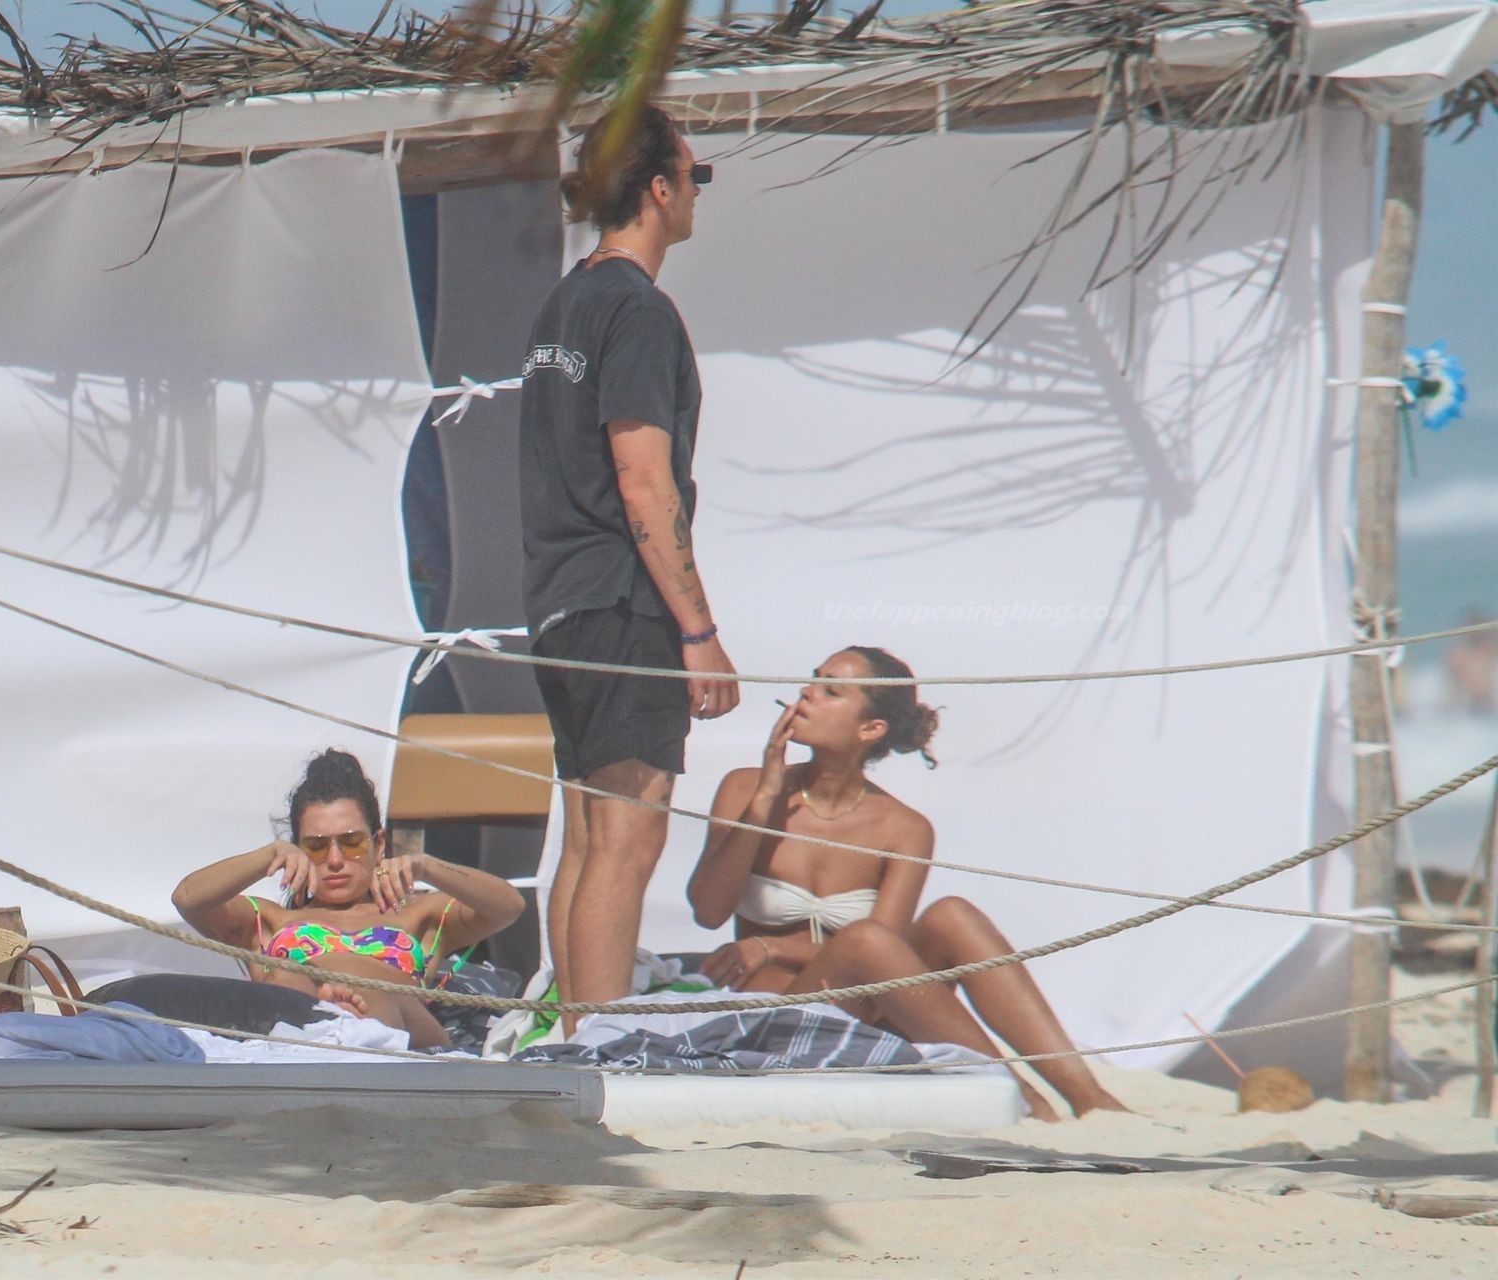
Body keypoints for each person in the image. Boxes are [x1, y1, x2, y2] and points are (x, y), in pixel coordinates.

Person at [684, 645, 1128, 1120]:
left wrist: (772, 946)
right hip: (785, 1017)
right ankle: (1020, 1095)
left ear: (870, 729)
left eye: (831, 690)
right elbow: (708, 911)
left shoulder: (904, 828)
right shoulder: (745, 787)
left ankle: (1088, 1095)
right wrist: (765, 799)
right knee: (866, 940)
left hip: (870, 1012)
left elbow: (885, 951)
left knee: (952, 916)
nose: (807, 693)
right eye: (813, 680)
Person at [520, 104, 740, 1025]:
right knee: (627, 841)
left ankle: (570, 1038)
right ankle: (598, 1049)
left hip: (559, 602)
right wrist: (700, 631)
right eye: (695, 174)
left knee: (587, 841)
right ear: (658, 188)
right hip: (619, 603)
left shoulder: (566, 300)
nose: (698, 191)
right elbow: (644, 482)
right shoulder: (637, 309)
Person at [172, 750, 526, 1049]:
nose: (335, 860)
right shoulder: (268, 921)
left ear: (379, 844)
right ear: (297, 850)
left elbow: (508, 907)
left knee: (364, 988)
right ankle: (326, 1017)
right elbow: (188, 898)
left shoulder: (420, 915)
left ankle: (338, 1019)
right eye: (316, 846)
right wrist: (267, 856)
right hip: (301, 1027)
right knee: (289, 978)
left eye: (352, 842)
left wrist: (427, 867)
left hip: (394, 1029)